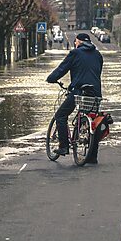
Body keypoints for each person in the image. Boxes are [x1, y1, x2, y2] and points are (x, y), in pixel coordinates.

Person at [46, 33, 103, 163]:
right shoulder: (98, 55)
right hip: (95, 93)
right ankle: (92, 156)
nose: (75, 43)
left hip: (79, 91)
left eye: (76, 41)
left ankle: (64, 146)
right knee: (94, 121)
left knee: (60, 116)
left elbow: (62, 69)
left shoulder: (75, 53)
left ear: (79, 42)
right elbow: (97, 72)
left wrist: (51, 79)